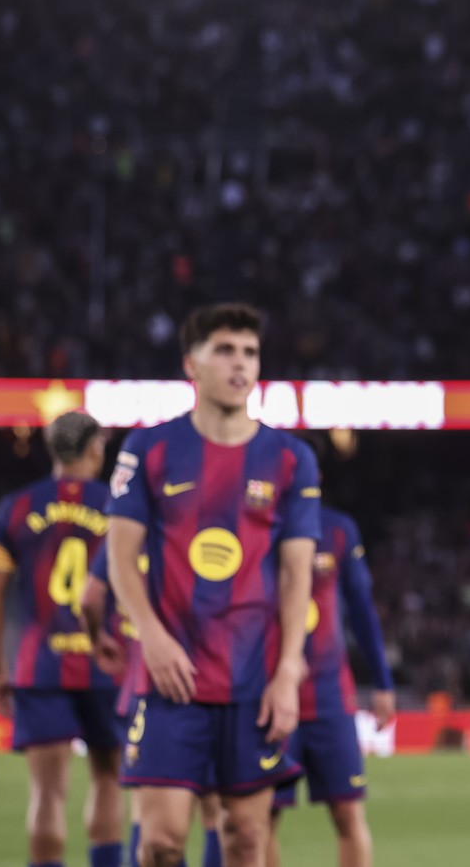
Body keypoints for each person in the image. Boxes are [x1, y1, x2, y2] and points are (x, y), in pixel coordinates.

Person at [105, 303, 322, 867]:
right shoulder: (147, 449)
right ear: (191, 365)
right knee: (160, 842)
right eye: (224, 350)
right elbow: (120, 556)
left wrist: (288, 670)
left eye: (250, 352)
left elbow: (297, 573)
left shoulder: (291, 459)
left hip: (252, 680)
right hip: (170, 677)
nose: (240, 363)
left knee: (246, 839)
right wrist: (151, 637)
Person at [0, 410, 124, 867]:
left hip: (39, 664)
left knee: (46, 793)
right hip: (106, 663)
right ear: (93, 448)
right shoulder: (115, 505)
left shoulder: (16, 507)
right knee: (108, 780)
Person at [268, 496, 396, 867]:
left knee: (348, 813)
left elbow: (362, 610)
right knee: (261, 818)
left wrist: (383, 683)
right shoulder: (258, 523)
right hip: (272, 696)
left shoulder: (338, 530)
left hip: (330, 698)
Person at [83, 548, 225, 867]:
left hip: (148, 684)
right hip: (220, 678)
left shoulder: (130, 530)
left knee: (150, 820)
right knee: (219, 812)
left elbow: (90, 599)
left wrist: (97, 638)